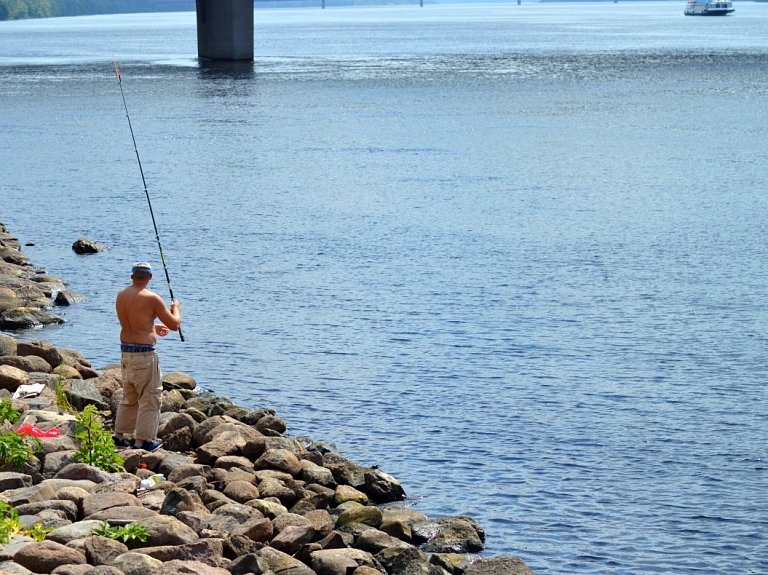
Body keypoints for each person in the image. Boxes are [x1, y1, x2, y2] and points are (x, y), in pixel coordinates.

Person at [112, 261, 181, 451]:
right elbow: (175, 324)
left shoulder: (121, 294)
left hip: (126, 352)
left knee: (129, 396)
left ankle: (119, 436)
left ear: (132, 276)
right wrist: (176, 308)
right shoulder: (152, 298)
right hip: (144, 355)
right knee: (150, 397)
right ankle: (143, 442)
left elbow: (133, 322)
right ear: (150, 277)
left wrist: (153, 327)